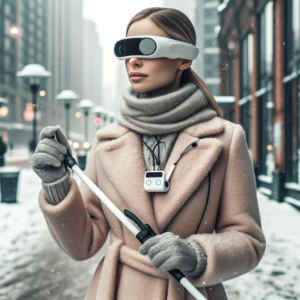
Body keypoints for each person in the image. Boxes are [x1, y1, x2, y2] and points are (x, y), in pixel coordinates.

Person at [30, 7, 266, 300]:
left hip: (189, 290)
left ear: (183, 57)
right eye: (127, 50)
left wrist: (197, 254)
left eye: (147, 47)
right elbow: (83, 243)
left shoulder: (226, 139)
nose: (133, 60)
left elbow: (249, 240)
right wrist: (56, 185)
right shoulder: (106, 142)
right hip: (116, 290)